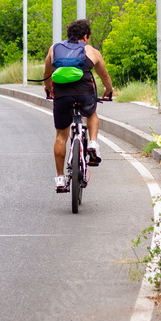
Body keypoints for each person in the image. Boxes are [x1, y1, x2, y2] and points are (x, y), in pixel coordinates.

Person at [42, 19, 114, 193]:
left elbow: (46, 75)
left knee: (61, 136)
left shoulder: (55, 49)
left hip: (62, 95)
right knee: (92, 114)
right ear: (86, 36)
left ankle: (60, 179)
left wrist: (49, 90)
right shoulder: (92, 51)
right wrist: (109, 90)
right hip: (84, 92)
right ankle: (93, 144)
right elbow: (104, 76)